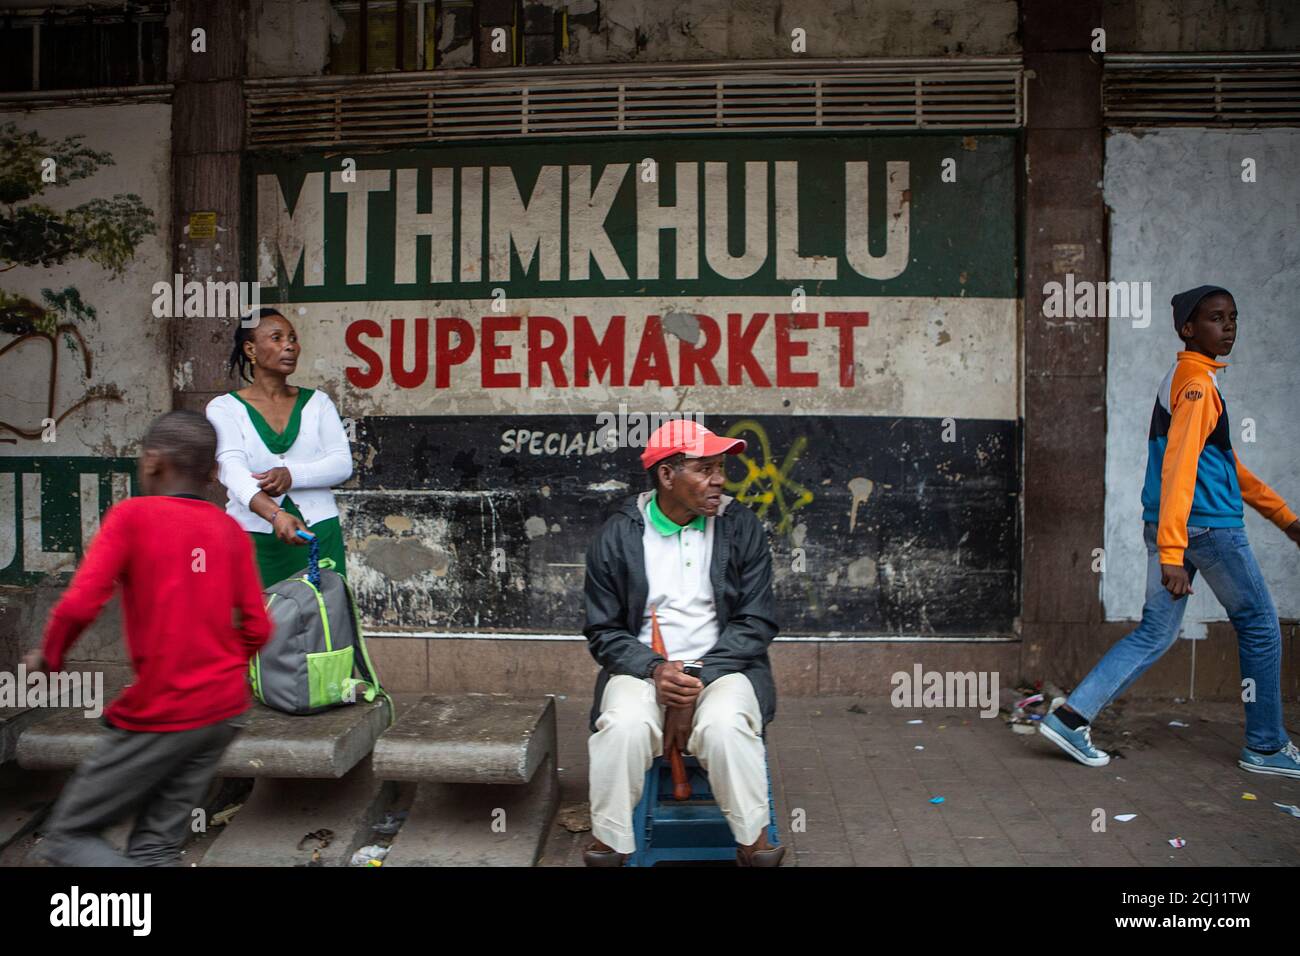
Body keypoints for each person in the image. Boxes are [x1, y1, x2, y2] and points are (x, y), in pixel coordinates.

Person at [1039, 286, 1300, 777]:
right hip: (1208, 530)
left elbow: (1226, 466)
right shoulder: (1197, 385)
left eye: (1233, 318)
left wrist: (1283, 517)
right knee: (1262, 628)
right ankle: (1265, 746)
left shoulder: (1190, 380)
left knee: (1155, 632)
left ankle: (1071, 718)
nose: (1228, 327)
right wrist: (1171, 553)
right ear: (1187, 329)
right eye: (1215, 319)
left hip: (1178, 525)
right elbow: (1180, 468)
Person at [27, 411, 271, 866]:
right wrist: (217, 667)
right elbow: (259, 626)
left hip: (166, 710)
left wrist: (50, 656)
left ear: (154, 461)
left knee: (66, 839)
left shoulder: (132, 517)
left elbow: (80, 604)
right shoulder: (230, 531)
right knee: (156, 849)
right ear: (213, 472)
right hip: (223, 713)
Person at [582, 419, 784, 866]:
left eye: (721, 468)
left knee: (725, 727)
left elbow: (757, 620)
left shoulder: (740, 526)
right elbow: (603, 630)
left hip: (725, 668)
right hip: (640, 669)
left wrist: (697, 678)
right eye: (705, 468)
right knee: (623, 727)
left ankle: (755, 843)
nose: (719, 479)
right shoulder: (618, 534)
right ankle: (611, 843)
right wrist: (655, 670)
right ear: (667, 476)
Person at [205, 308, 353, 586]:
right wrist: (275, 514)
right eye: (277, 338)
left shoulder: (317, 403)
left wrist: (291, 474)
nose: (289, 345)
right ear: (251, 349)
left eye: (293, 338)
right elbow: (232, 470)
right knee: (257, 622)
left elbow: (342, 464)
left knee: (321, 619)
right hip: (253, 536)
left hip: (317, 532)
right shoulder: (224, 408)